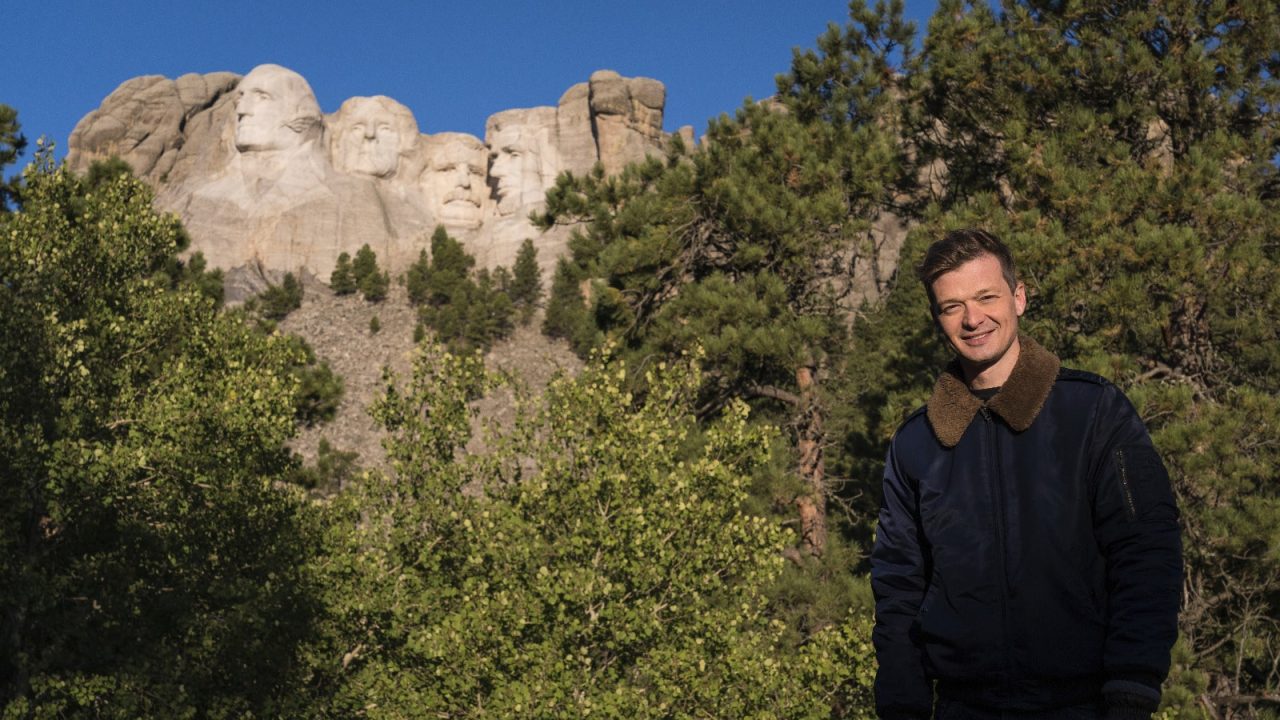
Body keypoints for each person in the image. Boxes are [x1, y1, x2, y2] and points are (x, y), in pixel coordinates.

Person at [871, 229, 1182, 720]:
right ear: (938, 318)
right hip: (963, 709)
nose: (972, 319)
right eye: (952, 307)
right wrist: (902, 707)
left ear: (1018, 297)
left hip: (1089, 706)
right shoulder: (916, 443)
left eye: (986, 297)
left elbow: (1146, 551)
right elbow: (898, 589)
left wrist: (1133, 686)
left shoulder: (1093, 412)